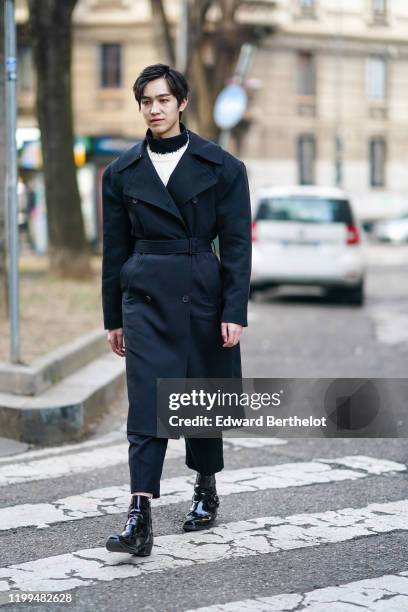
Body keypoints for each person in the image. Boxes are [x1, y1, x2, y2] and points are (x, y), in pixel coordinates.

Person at [102, 63, 252, 556]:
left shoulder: (222, 167)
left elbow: (234, 246)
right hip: (144, 298)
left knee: (199, 400)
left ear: (181, 103)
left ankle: (205, 487)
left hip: (201, 296)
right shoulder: (122, 172)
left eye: (163, 100)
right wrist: (113, 318)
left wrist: (234, 310)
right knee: (147, 405)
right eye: (146, 101)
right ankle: (139, 515)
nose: (154, 109)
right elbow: (114, 251)